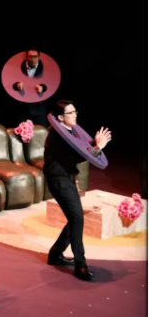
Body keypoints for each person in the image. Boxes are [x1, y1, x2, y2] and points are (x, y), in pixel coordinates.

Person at [44, 100, 112, 281]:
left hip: (67, 178)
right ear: (60, 117)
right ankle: (80, 265)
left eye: (75, 111)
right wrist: (98, 147)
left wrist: (94, 143)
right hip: (58, 180)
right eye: (71, 112)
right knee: (77, 218)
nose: (75, 115)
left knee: (75, 218)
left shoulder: (71, 131)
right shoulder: (57, 136)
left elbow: (82, 147)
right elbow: (78, 155)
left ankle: (55, 254)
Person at [12, 47, 48, 126]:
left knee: (41, 132)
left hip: (39, 109)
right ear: (26, 57)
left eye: (35, 56)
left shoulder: (45, 69)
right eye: (30, 56)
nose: (33, 59)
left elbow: (49, 83)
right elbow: (11, 80)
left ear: (39, 57)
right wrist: (17, 85)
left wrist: (42, 88)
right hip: (22, 110)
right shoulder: (18, 67)